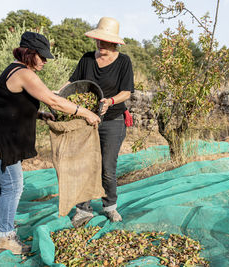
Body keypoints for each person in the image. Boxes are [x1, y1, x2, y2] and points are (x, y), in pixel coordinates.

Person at [0, 31, 100, 255]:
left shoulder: (15, 70)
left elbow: (12, 104)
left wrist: (39, 115)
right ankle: (5, 238)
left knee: (3, 186)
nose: (46, 61)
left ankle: (3, 231)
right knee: (13, 187)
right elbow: (54, 101)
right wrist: (86, 112)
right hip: (0, 140)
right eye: (43, 56)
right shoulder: (24, 74)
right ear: (30, 53)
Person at [60, 17, 134, 227]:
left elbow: (127, 92)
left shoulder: (123, 62)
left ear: (114, 43)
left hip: (112, 120)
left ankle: (110, 206)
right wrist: (58, 95)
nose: (100, 44)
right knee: (84, 165)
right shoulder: (86, 59)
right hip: (86, 120)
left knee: (107, 168)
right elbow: (73, 82)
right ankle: (83, 210)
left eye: (105, 41)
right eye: (98, 40)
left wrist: (110, 101)